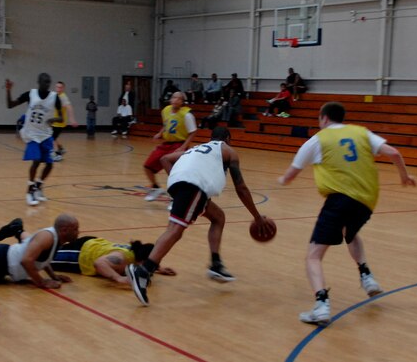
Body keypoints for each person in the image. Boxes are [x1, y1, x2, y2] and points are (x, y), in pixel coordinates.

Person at [278, 102, 416, 325]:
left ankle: (321, 305)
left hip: (340, 199)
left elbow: (291, 174)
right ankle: (367, 276)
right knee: (349, 233)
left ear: (323, 118)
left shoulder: (318, 140)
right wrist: (404, 176)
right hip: (367, 200)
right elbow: (394, 153)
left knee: (313, 256)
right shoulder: (361, 133)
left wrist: (282, 180)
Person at [127, 127, 273, 306]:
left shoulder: (196, 148)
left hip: (182, 184)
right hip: (194, 186)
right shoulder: (229, 151)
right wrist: (257, 217)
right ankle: (143, 271)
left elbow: (165, 158)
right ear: (228, 139)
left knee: (218, 217)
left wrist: (178, 177)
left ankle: (216, 264)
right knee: (175, 230)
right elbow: (241, 188)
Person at [6, 74, 62, 206]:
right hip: (31, 134)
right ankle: (29, 191)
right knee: (36, 160)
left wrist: (54, 119)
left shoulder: (55, 98)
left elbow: (61, 118)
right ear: (38, 82)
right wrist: (8, 90)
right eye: (44, 82)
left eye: (48, 82)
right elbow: (10, 105)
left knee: (49, 164)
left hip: (46, 134)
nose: (46, 84)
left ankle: (38, 186)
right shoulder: (31, 94)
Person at [51, 236, 175, 285]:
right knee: (45, 259)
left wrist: (159, 268)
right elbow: (99, 263)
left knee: (51, 249)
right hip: (80, 254)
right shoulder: (122, 259)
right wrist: (118, 278)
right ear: (142, 261)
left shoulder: (137, 253)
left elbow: (148, 258)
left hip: (92, 243)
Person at [143, 91, 197, 202]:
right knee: (147, 166)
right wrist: (160, 132)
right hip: (166, 144)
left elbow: (193, 132)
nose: (175, 100)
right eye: (174, 97)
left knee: (173, 171)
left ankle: (176, 197)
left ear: (182, 102)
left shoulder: (187, 115)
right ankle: (155, 188)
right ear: (170, 99)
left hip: (179, 144)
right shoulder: (165, 110)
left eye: (178, 98)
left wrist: (183, 147)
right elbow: (166, 124)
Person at [52, 81, 79, 161]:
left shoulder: (63, 97)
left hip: (59, 123)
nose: (58, 89)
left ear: (63, 88)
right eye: (57, 87)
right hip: (54, 121)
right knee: (52, 136)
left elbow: (69, 107)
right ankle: (61, 149)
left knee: (51, 138)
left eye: (60, 87)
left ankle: (55, 155)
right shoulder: (55, 95)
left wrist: (72, 119)